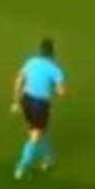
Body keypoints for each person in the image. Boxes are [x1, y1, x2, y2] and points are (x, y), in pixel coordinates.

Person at [11, 38, 67, 180]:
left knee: (39, 131)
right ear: (53, 52)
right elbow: (62, 92)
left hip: (26, 100)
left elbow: (18, 80)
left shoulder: (31, 62)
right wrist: (58, 89)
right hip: (40, 105)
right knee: (36, 135)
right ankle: (22, 167)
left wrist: (16, 102)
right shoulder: (55, 69)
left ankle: (48, 159)